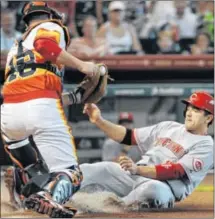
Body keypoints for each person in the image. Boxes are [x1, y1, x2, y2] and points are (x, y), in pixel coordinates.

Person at [1, 2, 106, 218]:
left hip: (9, 115)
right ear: (49, 15)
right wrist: (82, 65)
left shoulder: (16, 46)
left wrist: (75, 97)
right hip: (39, 108)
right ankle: (49, 198)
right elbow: (44, 45)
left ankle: (24, 189)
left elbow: (32, 86)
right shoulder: (50, 26)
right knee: (71, 173)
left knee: (38, 169)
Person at [80, 91, 214, 210]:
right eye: (188, 108)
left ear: (208, 118)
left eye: (196, 110)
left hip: (163, 186)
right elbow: (128, 136)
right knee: (91, 169)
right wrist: (98, 120)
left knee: (152, 191)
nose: (189, 113)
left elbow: (176, 171)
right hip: (135, 175)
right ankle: (63, 197)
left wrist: (137, 169)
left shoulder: (206, 145)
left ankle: (111, 207)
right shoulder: (169, 126)